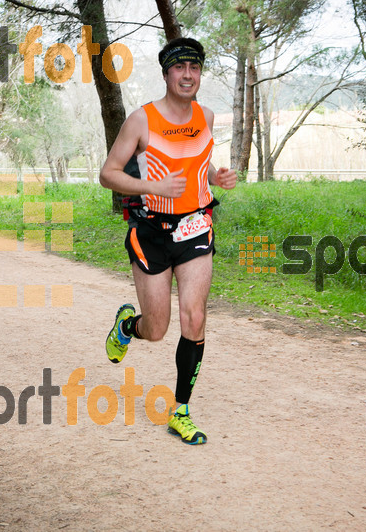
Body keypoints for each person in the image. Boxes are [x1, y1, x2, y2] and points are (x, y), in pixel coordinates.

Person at [99, 37, 237, 445]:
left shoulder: (206, 116)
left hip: (195, 227)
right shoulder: (142, 120)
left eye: (194, 67)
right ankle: (130, 325)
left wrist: (214, 177)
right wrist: (151, 185)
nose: (188, 74)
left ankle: (181, 411)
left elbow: (196, 160)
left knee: (194, 318)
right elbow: (108, 173)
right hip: (151, 233)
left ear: (200, 74)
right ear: (166, 74)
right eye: (180, 67)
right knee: (157, 330)